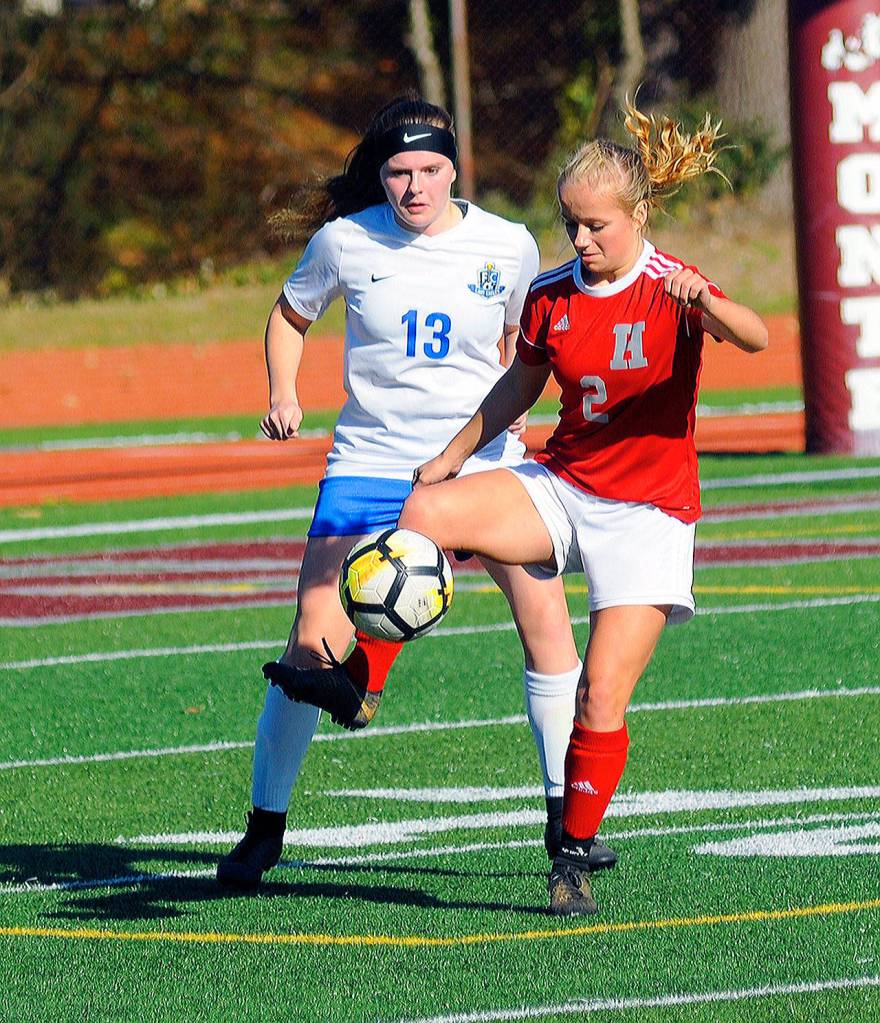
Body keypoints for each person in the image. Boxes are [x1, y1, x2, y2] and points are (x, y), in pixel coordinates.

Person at [217, 93, 618, 889]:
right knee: (308, 644)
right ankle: (264, 830)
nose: (414, 188)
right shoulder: (344, 241)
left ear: (454, 168)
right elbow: (288, 315)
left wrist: (509, 430)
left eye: (430, 170)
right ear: (382, 174)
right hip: (369, 462)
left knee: (547, 626)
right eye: (399, 172)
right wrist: (283, 392)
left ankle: (564, 829)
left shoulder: (506, 245)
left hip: (481, 463)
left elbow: (521, 349)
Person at [386, 100, 768, 915]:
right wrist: (449, 459)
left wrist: (707, 303)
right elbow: (522, 383)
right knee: (424, 511)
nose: (582, 241)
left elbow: (757, 335)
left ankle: (570, 855)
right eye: (570, 225)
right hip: (563, 486)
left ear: (636, 216)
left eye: (596, 226)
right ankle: (365, 680)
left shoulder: (670, 286)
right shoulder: (555, 294)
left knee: (599, 696)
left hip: (649, 513)